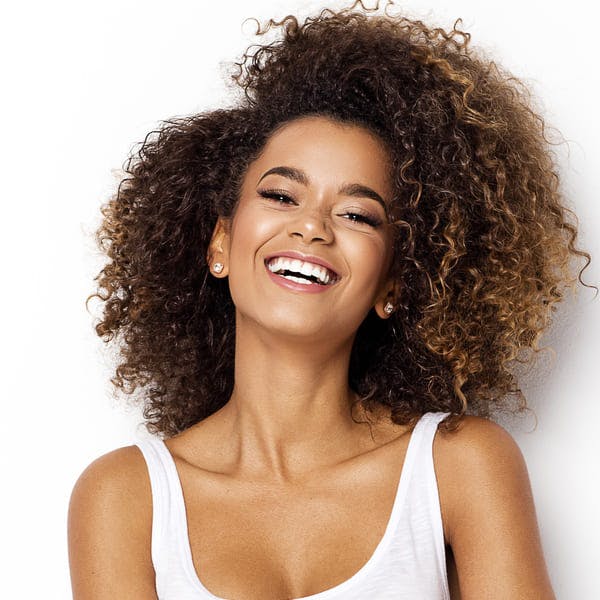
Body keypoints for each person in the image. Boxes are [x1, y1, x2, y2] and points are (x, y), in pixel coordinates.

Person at [68, 2, 594, 599]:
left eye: (356, 213)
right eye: (282, 195)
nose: (313, 227)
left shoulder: (459, 466)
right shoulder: (126, 495)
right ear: (220, 242)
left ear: (393, 283)